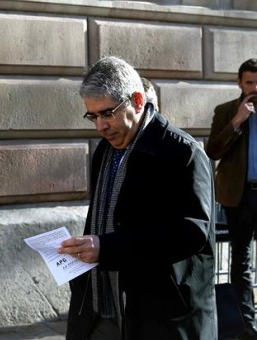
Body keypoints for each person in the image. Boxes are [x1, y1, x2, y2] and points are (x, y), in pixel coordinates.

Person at [57, 56, 216, 339]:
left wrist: (108, 248)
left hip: (162, 315)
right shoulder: (105, 150)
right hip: (102, 305)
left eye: (107, 113)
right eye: (93, 116)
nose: (100, 127)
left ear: (138, 100)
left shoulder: (183, 152)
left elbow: (192, 232)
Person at [206, 58, 257, 340]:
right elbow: (212, 150)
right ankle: (247, 324)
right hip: (239, 196)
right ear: (240, 83)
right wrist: (238, 120)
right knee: (241, 259)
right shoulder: (226, 111)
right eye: (249, 82)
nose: (255, 87)